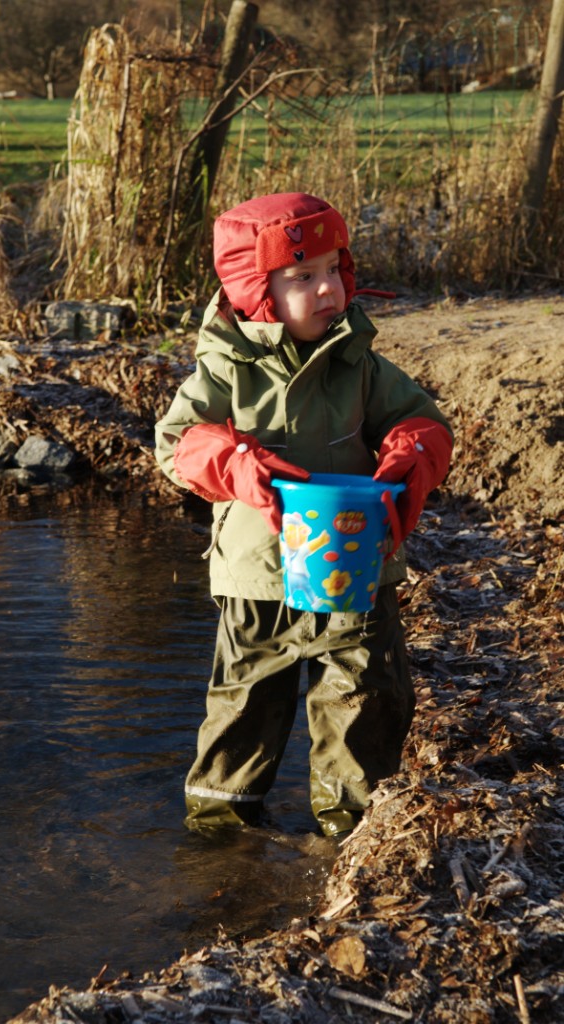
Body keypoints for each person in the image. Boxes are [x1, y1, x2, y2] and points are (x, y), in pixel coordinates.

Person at [154, 192, 453, 838]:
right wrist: (234, 462)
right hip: (257, 576)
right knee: (243, 707)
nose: (327, 291)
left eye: (332, 270)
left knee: (364, 701)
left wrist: (408, 460)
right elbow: (177, 444)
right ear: (257, 292)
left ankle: (351, 831)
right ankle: (221, 835)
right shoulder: (225, 368)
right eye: (302, 277)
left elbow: (424, 423)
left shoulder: (358, 363)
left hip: (355, 564)